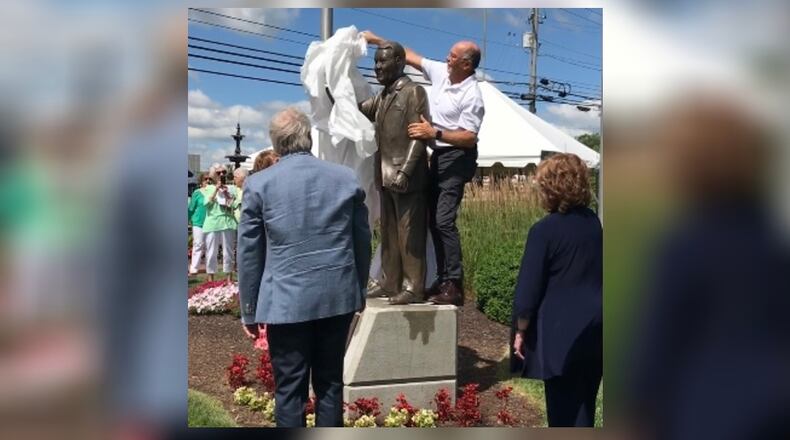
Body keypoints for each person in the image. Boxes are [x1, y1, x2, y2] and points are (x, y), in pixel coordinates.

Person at [237, 107, 371, 427]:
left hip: (285, 302)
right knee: (330, 385)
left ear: (276, 144)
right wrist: (359, 290)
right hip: (336, 297)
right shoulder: (345, 178)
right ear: (308, 137)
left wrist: (250, 309)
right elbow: (362, 242)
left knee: (289, 390)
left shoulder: (259, 185)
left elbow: (250, 252)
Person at [362, 31, 484, 306]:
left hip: (457, 155)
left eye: (452, 56)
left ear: (466, 64)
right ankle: (400, 280)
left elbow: (469, 137)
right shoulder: (442, 72)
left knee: (440, 220)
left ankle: (451, 282)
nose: (446, 58)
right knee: (416, 222)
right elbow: (410, 55)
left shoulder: (472, 94)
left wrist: (434, 133)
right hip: (436, 154)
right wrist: (375, 39)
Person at [511, 153, 602, 427]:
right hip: (597, 327)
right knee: (584, 404)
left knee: (563, 413)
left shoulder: (544, 230)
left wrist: (520, 330)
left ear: (550, 187)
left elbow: (528, 289)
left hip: (561, 331)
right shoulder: (592, 223)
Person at [350, 40, 430, 305]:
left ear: (399, 62)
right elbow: (357, 109)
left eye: (382, 61)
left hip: (405, 178)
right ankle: (389, 281)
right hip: (384, 176)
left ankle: (414, 287)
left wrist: (406, 171)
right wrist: (336, 87)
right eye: (375, 62)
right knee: (389, 234)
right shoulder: (382, 96)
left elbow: (419, 137)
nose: (377, 67)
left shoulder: (413, 92)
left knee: (409, 235)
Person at [202, 165, 237, 282]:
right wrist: (216, 189)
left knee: (229, 252)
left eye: (223, 172)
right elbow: (206, 204)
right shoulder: (208, 188)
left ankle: (229, 279)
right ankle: (210, 280)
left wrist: (226, 193)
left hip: (228, 223)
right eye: (218, 173)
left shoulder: (232, 188)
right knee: (211, 252)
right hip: (213, 223)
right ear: (213, 175)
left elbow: (233, 205)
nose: (221, 174)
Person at [188, 172, 210, 275]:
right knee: (198, 245)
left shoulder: (213, 192)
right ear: (201, 182)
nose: (208, 181)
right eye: (205, 179)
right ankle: (194, 268)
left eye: (209, 179)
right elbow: (191, 208)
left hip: (210, 223)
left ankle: (209, 268)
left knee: (209, 246)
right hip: (198, 222)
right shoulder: (197, 193)